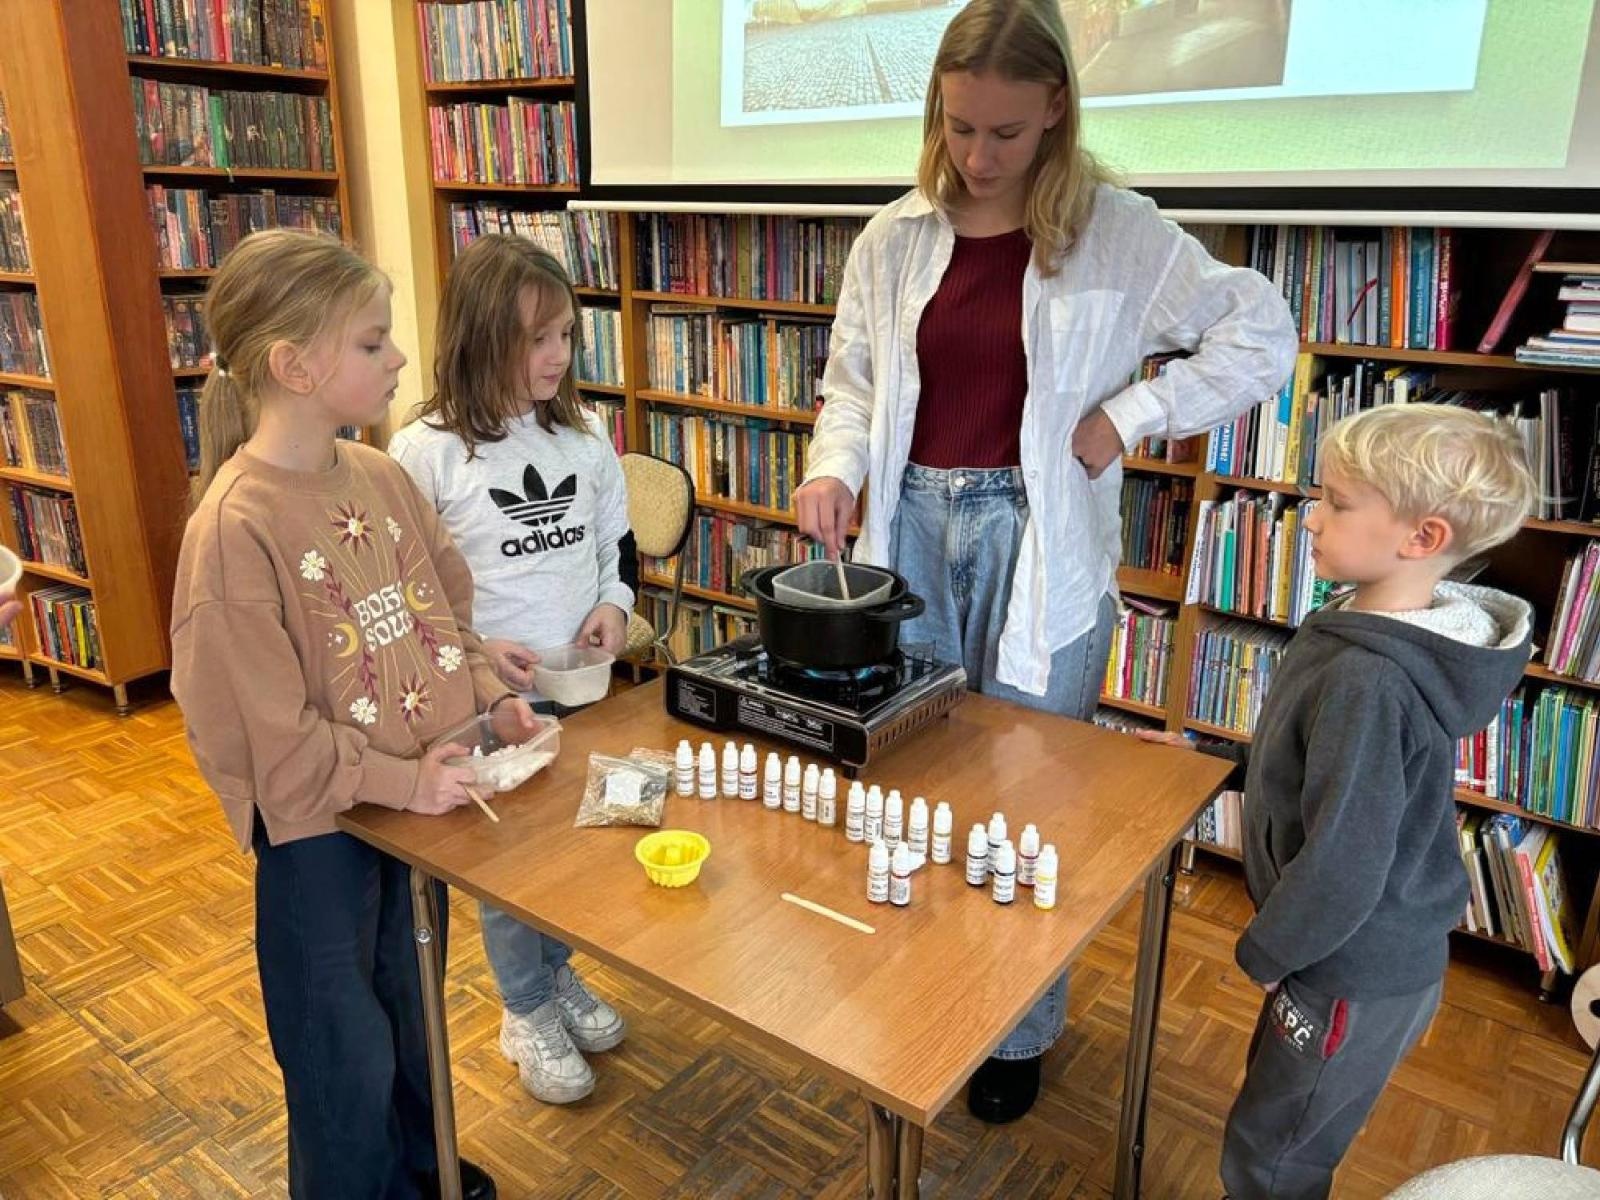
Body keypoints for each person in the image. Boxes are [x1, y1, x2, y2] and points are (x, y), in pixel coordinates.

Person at [793, 0, 1298, 1123]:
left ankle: (1018, 1027)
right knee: (911, 777)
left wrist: (1136, 411)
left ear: (1058, 112)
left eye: (1004, 134)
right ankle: (925, 989)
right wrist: (833, 464)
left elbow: (1261, 334)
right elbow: (855, 384)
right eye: (959, 126)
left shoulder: (1118, 232)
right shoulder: (894, 236)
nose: (975, 157)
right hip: (908, 535)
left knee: (1023, 804)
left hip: (1040, 545)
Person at [170, 229, 525, 1200]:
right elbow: (272, 741)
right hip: (319, 839)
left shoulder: (378, 476)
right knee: (342, 1053)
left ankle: (427, 1168)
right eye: (373, 343)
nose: (399, 358)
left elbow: (444, 610)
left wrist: (491, 699)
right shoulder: (235, 530)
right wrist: (404, 779)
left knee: (412, 1020)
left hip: (414, 818)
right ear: (293, 365)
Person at [1140, 404, 1536, 1200]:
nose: (1310, 516)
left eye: (1339, 503)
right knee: (1280, 1112)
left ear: (1420, 538)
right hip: (1343, 958)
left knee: (1277, 1153)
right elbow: (1314, 767)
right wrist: (1218, 764)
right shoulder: (1367, 626)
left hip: (1348, 965)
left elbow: (1346, 862)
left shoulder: (1373, 678)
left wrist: (1266, 953)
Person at [389, 235, 632, 1106]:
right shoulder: (424, 452)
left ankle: (555, 974)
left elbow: (615, 545)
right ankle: (524, 1007)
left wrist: (615, 605)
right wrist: (480, 655)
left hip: (578, 688)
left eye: (566, 334)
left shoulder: (585, 432)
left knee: (565, 852)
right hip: (487, 701)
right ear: (482, 337)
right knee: (509, 861)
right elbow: (410, 594)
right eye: (536, 339)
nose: (558, 356)